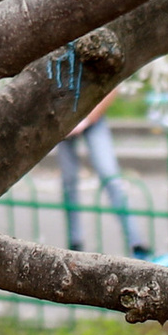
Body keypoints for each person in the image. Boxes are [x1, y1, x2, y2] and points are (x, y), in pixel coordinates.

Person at [54, 90, 153, 260]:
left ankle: (136, 241)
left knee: (110, 176)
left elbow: (111, 88)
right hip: (64, 116)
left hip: (93, 116)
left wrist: (87, 120)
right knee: (69, 180)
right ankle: (75, 241)